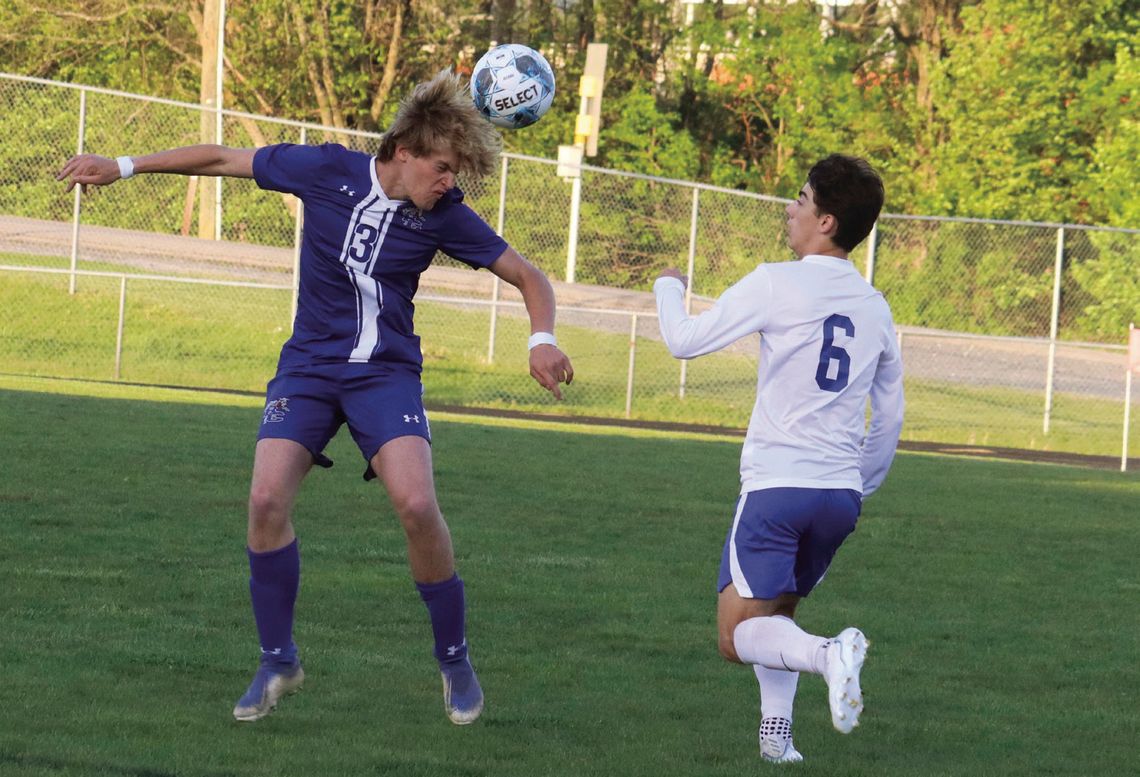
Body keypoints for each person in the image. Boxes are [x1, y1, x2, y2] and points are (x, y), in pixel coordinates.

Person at [57, 69, 574, 726]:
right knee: (265, 498)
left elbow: (528, 275)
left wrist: (541, 338)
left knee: (417, 504)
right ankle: (278, 658)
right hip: (307, 368)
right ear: (404, 150)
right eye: (443, 168)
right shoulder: (324, 168)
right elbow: (222, 157)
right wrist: (122, 165)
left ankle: (454, 658)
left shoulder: (444, 214)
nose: (450, 184)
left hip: (385, 373)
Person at [653, 154, 904, 763]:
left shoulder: (776, 280)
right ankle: (777, 740)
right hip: (839, 500)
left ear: (827, 221)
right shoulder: (876, 307)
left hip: (777, 490)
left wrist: (667, 285)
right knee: (779, 616)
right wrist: (857, 489)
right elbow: (890, 418)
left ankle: (829, 655)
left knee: (737, 638)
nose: (789, 208)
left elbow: (682, 342)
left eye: (800, 198)